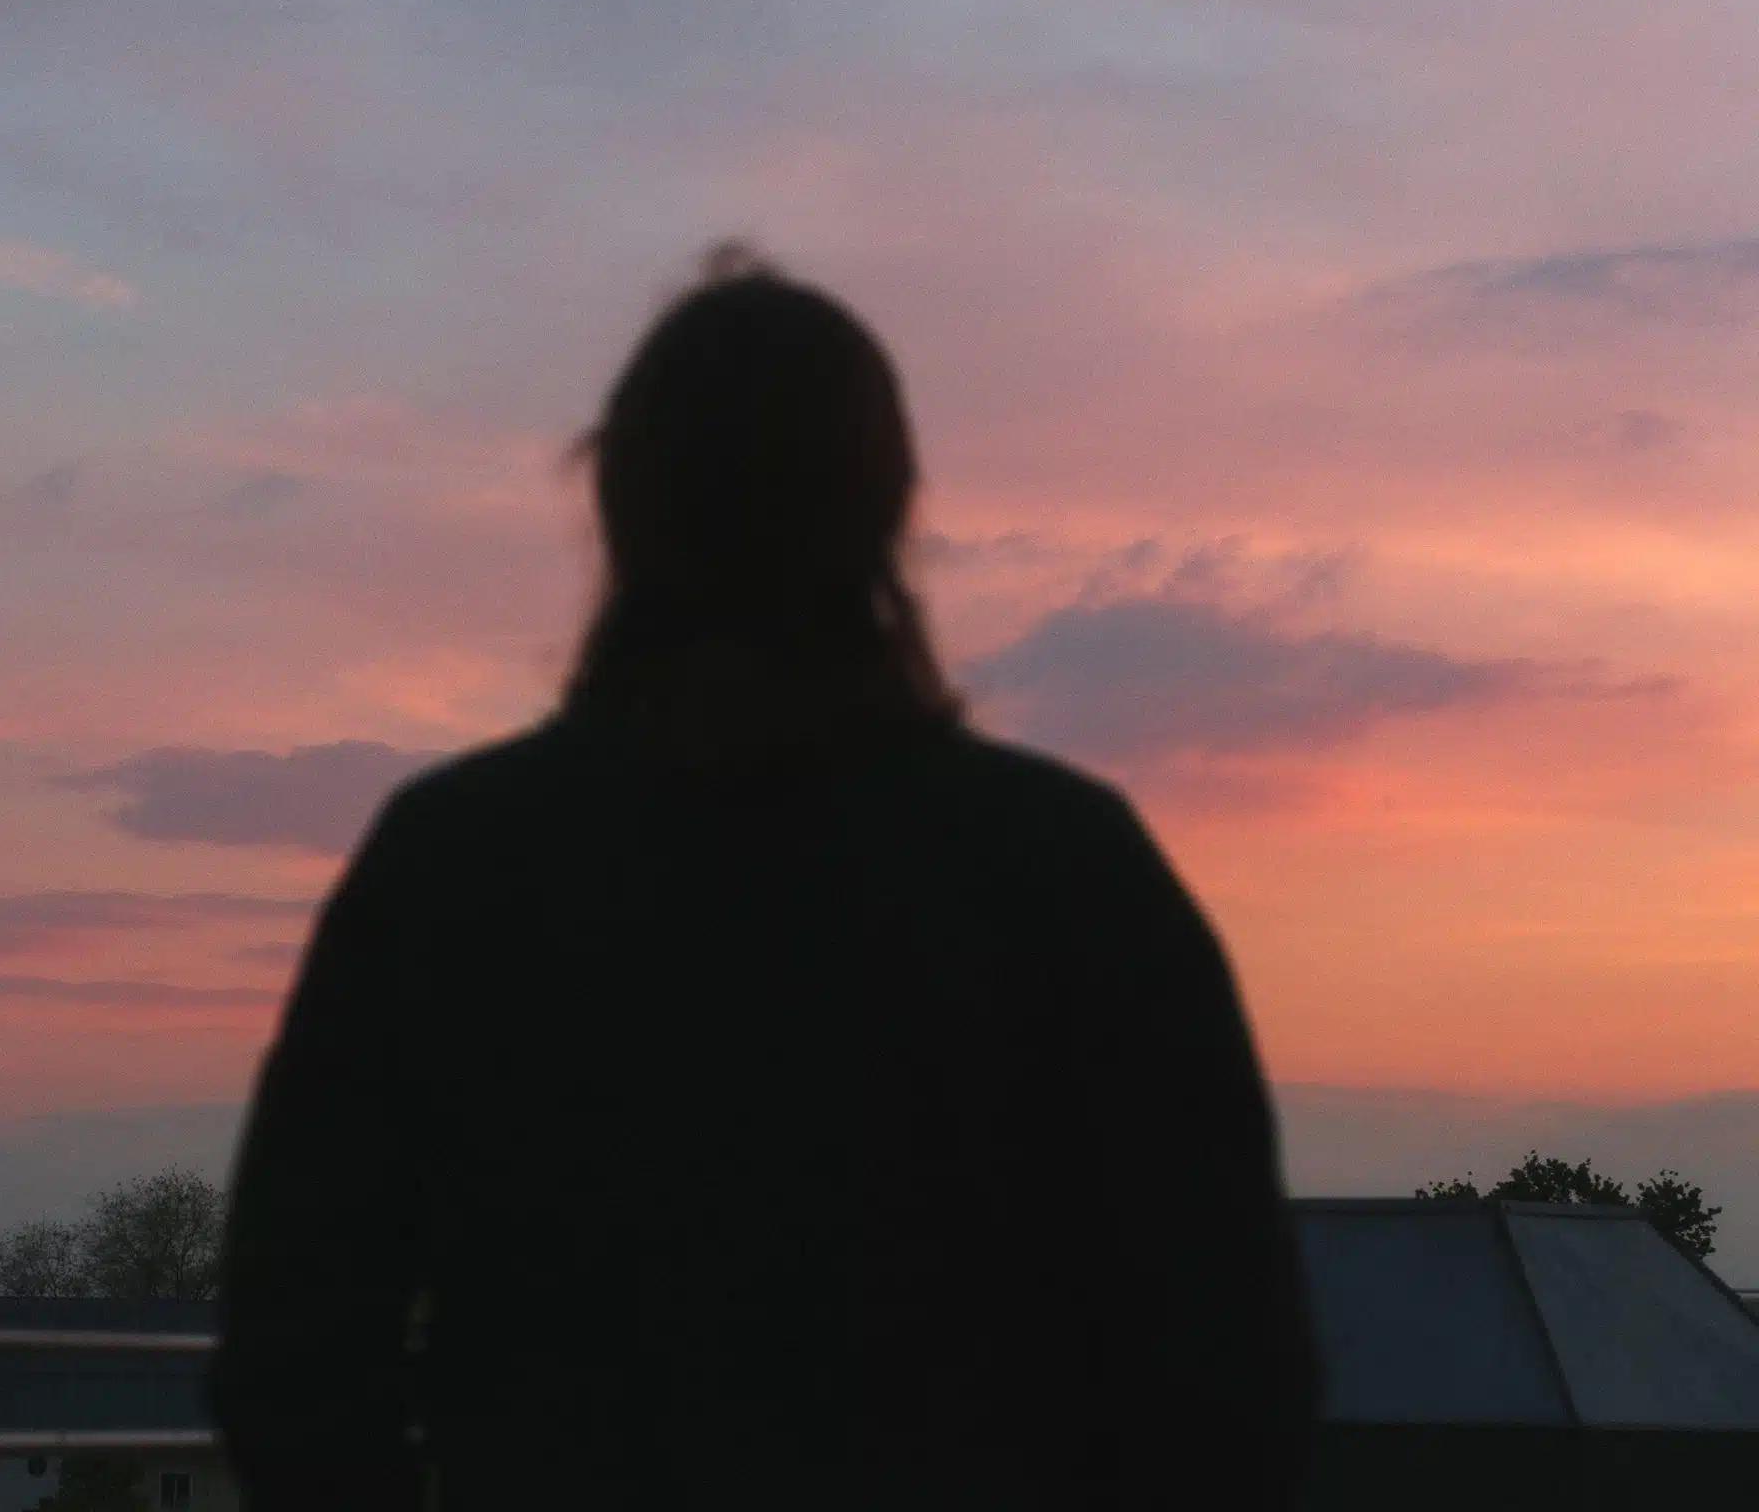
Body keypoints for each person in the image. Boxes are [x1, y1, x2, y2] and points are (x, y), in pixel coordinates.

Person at [212, 254, 1319, 1511]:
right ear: (889, 507)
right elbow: (1238, 1375)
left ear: (619, 503)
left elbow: (292, 1352)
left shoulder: (453, 864)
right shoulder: (1068, 870)